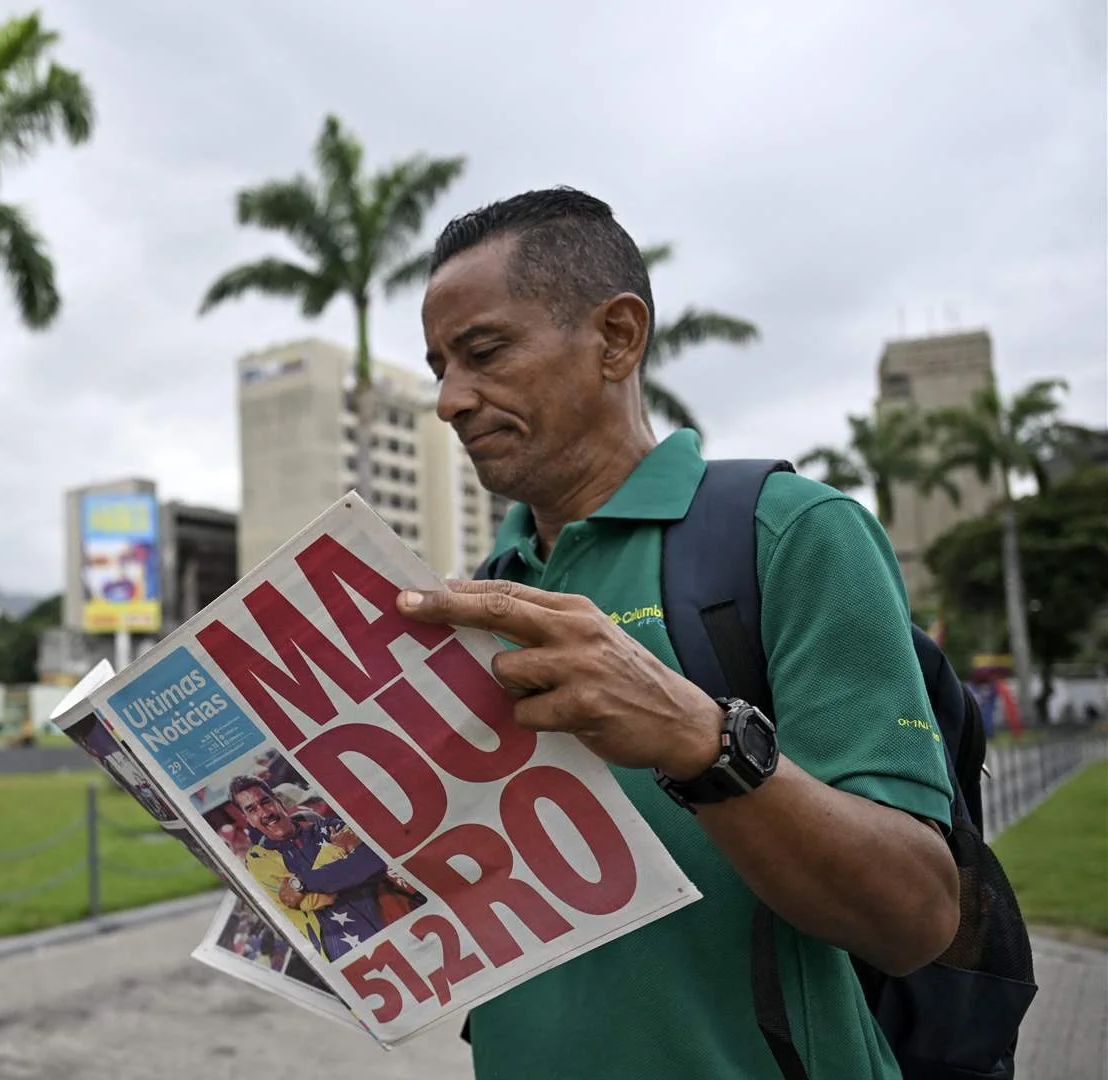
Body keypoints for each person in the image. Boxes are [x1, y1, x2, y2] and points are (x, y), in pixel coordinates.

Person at [400, 187, 958, 1079]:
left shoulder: (790, 534)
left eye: (484, 352)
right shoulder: (480, 596)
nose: (450, 400)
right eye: (438, 366)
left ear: (618, 338)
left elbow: (918, 918)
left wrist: (704, 743)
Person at [230, 774, 395, 962]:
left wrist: (300, 883)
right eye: (252, 809)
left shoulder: (328, 826)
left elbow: (373, 861)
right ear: (247, 819)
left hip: (393, 923)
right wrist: (336, 851)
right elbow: (310, 902)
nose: (264, 813)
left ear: (278, 801)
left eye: (266, 802)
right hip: (345, 954)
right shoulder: (259, 859)